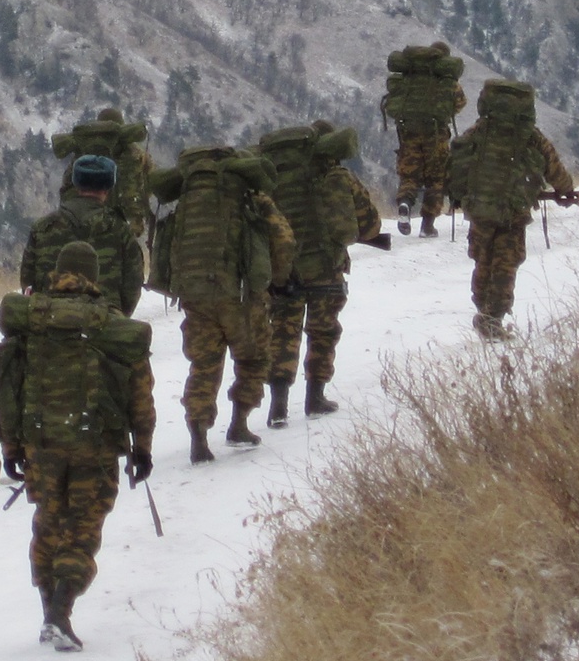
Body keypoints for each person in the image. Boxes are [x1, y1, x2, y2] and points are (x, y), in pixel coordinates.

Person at [0, 241, 155, 652]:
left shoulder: (29, 321)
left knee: (48, 521)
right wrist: (143, 446)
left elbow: (6, 387)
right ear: (94, 277)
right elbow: (139, 391)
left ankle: (49, 609)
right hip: (93, 445)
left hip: (40, 443)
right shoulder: (110, 324)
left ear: (56, 272)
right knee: (82, 526)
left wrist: (10, 445)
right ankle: (60, 611)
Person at [149, 144, 293, 457]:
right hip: (240, 295)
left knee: (203, 364)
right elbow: (283, 240)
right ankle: (239, 424)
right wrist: (276, 282)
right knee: (253, 358)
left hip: (194, 296)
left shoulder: (187, 205)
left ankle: (198, 437)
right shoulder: (250, 199)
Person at [256, 125, 390, 423]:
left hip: (282, 272)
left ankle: (278, 405)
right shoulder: (334, 176)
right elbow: (369, 226)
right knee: (323, 331)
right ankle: (315, 397)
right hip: (325, 268)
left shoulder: (267, 180)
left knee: (282, 332)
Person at [446, 79, 579, 338]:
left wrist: (459, 195)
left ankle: (483, 312)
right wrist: (566, 190)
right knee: (505, 264)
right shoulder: (531, 136)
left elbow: (456, 162)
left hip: (480, 209)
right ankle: (492, 319)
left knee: (482, 260)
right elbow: (556, 170)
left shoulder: (479, 131)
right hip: (513, 212)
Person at [18, 154, 146, 313]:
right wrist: (117, 317)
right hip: (104, 323)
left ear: (76, 184)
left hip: (50, 323)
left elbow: (27, 282)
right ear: (107, 187)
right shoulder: (120, 229)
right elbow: (133, 283)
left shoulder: (42, 227)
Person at [383, 41, 467, 236]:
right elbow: (459, 103)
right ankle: (427, 225)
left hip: (408, 132)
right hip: (435, 134)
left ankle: (405, 202)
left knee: (409, 174)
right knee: (436, 179)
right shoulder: (446, 80)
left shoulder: (409, 77)